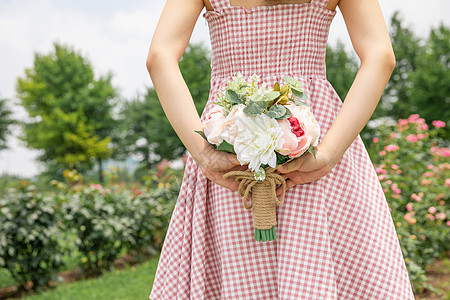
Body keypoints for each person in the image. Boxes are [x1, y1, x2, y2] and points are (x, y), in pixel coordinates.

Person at [146, 0, 415, 298]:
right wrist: (327, 156)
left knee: (242, 276)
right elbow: (380, 56)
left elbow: (160, 57)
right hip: (311, 136)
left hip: (232, 139)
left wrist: (205, 154)